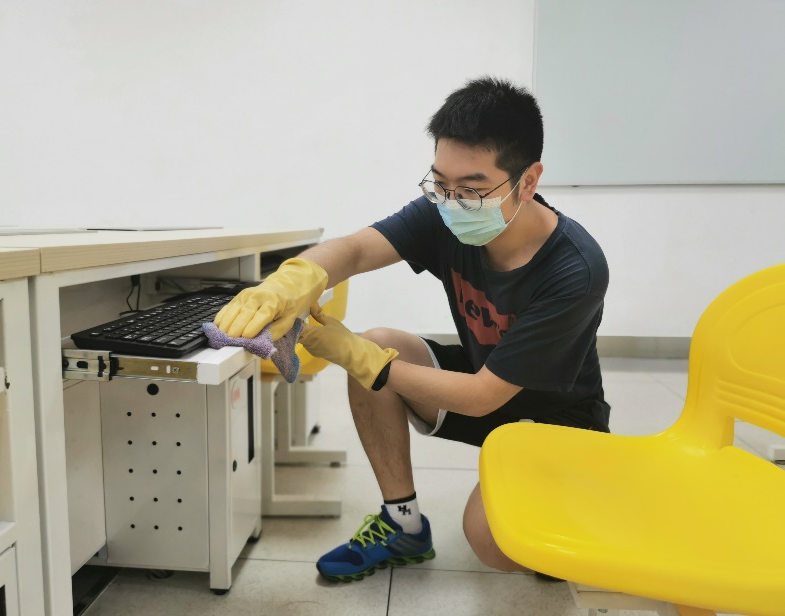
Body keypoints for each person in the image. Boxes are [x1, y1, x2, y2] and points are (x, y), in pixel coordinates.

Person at [214, 76, 610, 582]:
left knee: (492, 542)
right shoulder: (446, 211)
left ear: (528, 181)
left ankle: (579, 506)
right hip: (487, 380)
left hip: (557, 420)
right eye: (440, 183)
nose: (451, 201)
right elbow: (356, 249)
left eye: (472, 189)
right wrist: (292, 281)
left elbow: (482, 397)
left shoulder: (575, 269)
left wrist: (354, 355)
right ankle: (402, 526)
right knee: (379, 344)